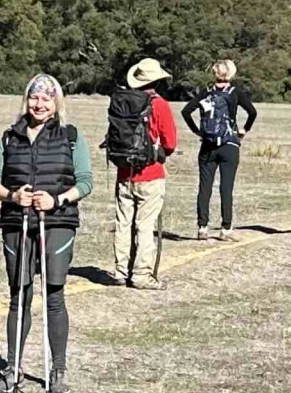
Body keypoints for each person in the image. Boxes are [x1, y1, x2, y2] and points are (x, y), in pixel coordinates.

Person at [0, 73, 92, 393]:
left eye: (46, 98)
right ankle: (12, 368)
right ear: (26, 100)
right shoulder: (9, 137)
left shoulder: (71, 136)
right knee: (20, 295)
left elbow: (85, 182)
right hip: (17, 223)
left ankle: (58, 369)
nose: (39, 103)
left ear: (56, 102)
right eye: (34, 97)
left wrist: (57, 199)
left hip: (57, 222)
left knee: (54, 295)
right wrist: (13, 197)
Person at [109, 57, 179, 288]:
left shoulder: (121, 101)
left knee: (123, 223)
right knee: (145, 225)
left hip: (124, 172)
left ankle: (120, 271)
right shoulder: (159, 104)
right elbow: (170, 143)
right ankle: (141, 274)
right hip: (150, 173)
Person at [181, 58, 257, 241]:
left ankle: (202, 227)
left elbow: (186, 111)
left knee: (204, 187)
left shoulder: (205, 93)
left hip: (208, 145)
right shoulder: (235, 93)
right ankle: (225, 228)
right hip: (229, 144)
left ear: (214, 73)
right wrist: (243, 130)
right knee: (226, 187)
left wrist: (197, 131)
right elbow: (252, 112)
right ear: (230, 74)